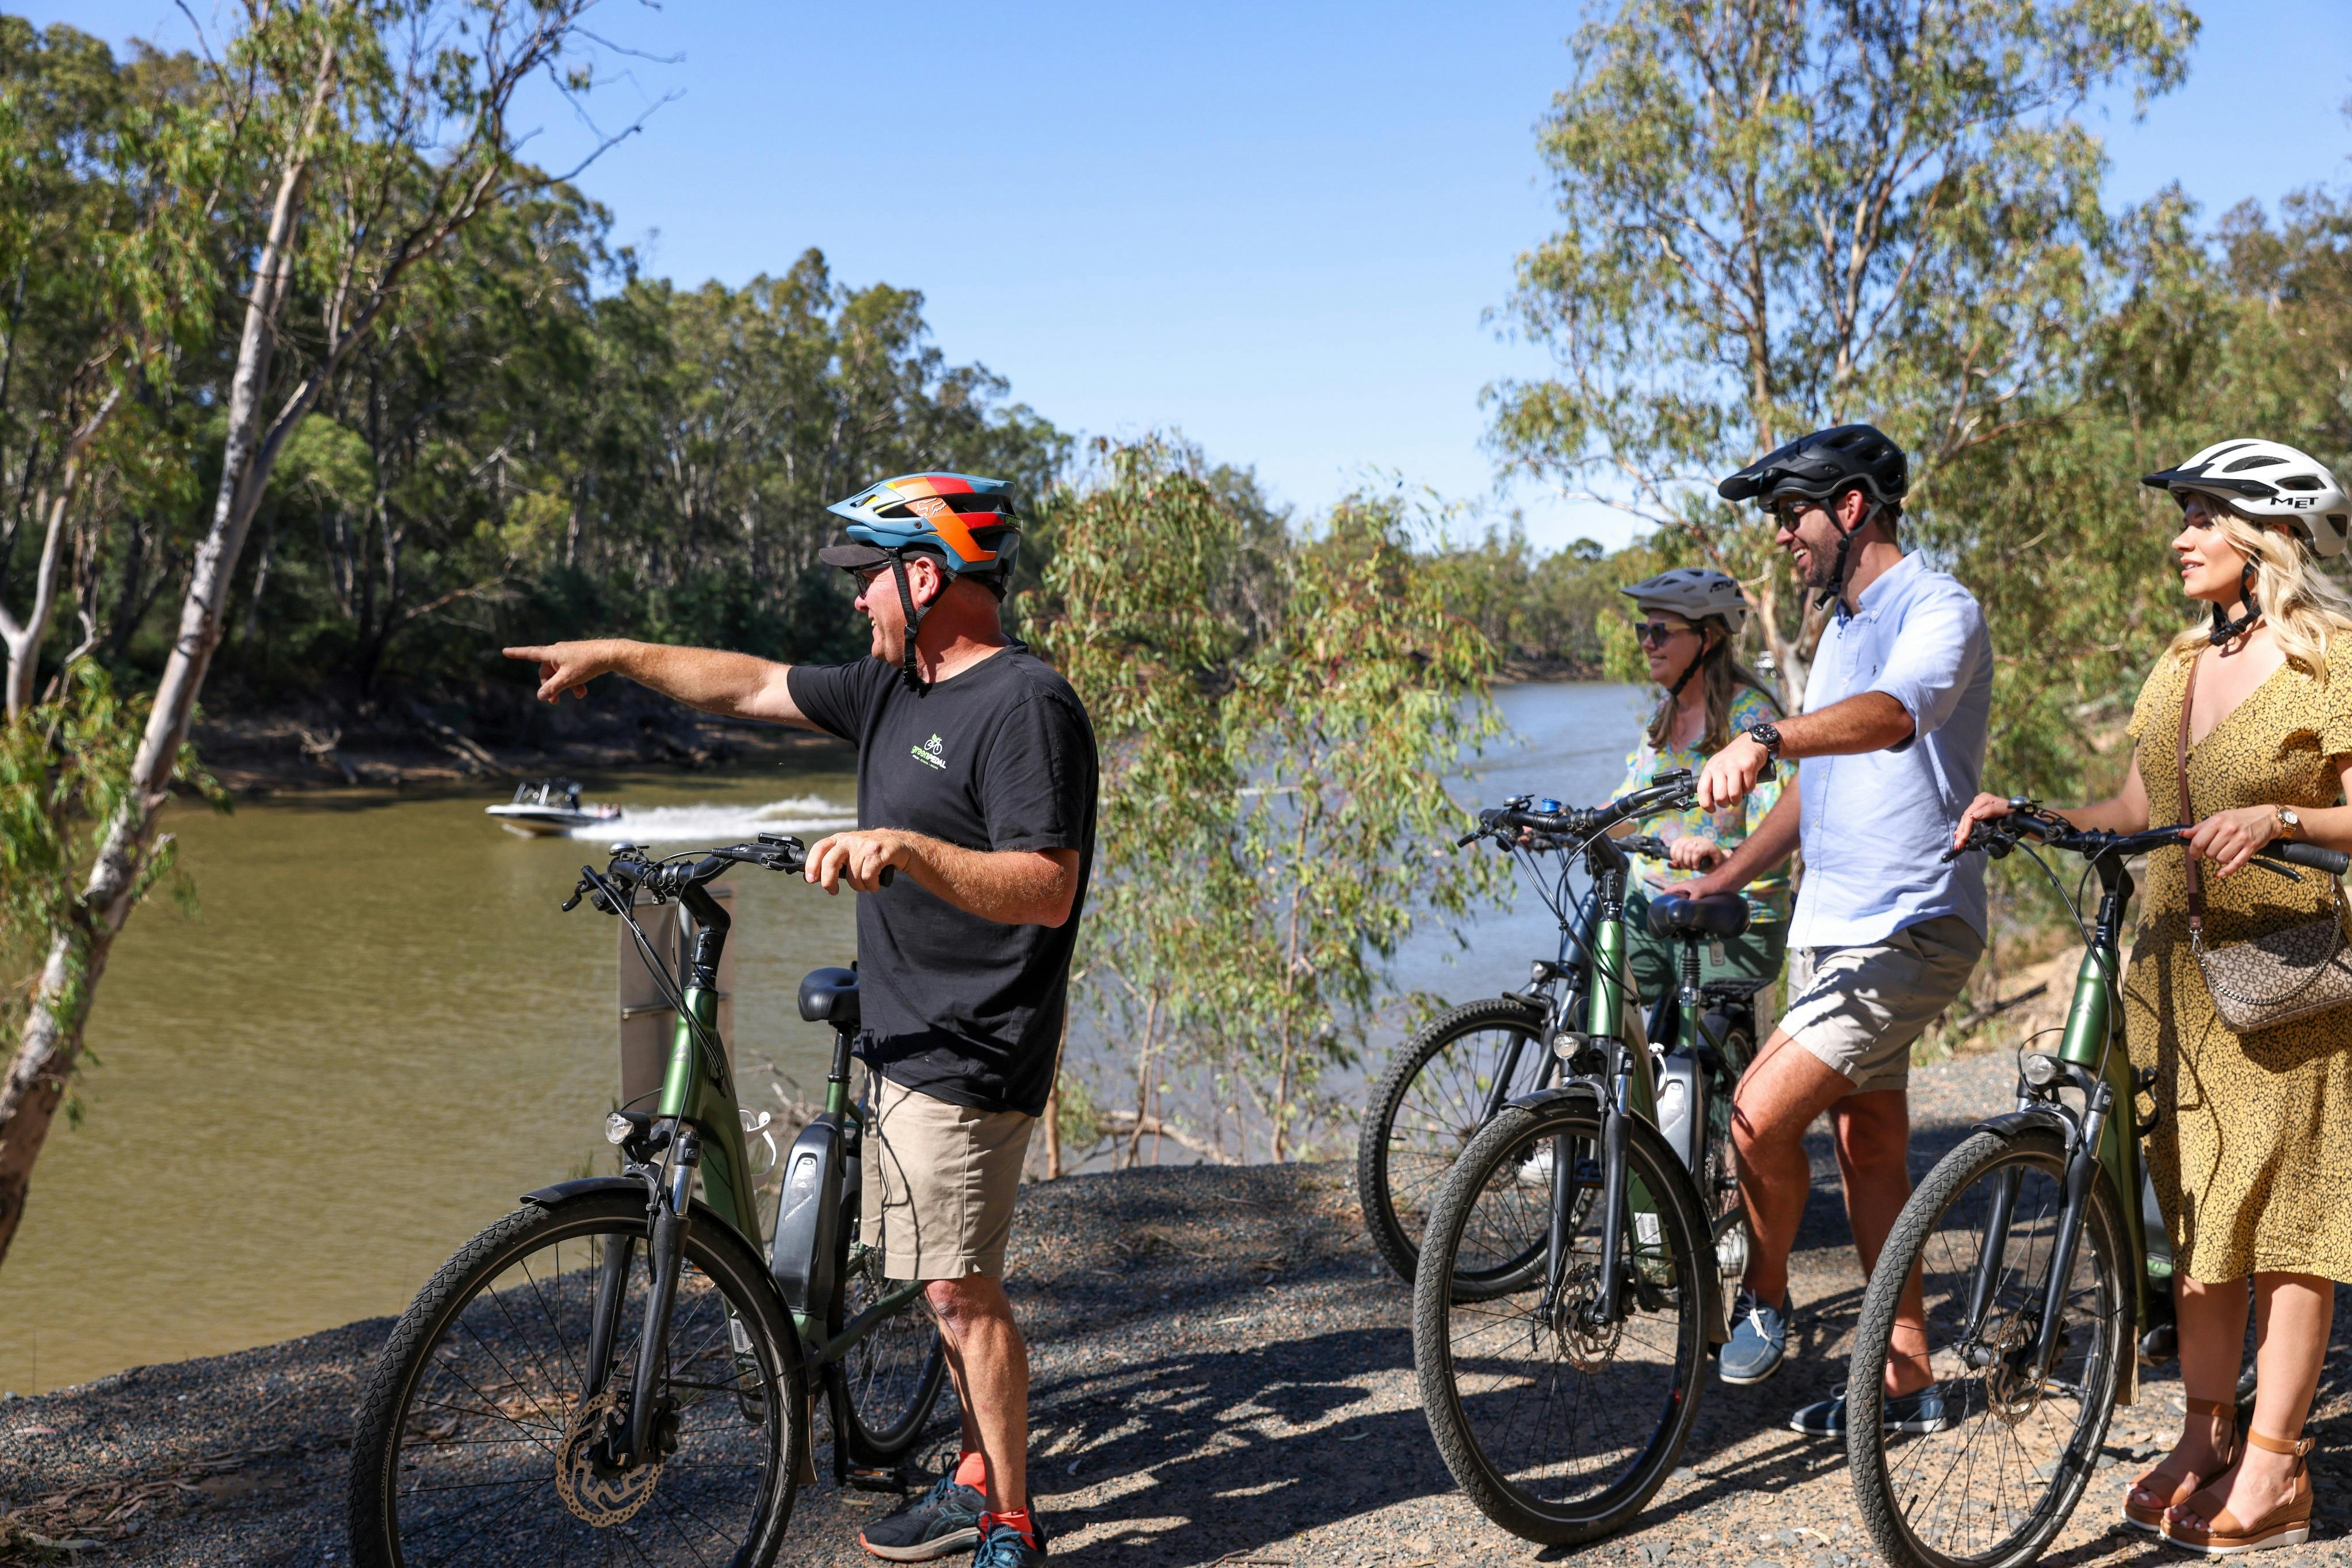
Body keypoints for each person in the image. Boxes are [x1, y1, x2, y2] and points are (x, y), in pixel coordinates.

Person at [506, 471, 1095, 1568]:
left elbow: (1044, 886)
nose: (855, 603)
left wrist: (909, 851)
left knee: (960, 1292)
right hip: (900, 1029)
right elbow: (748, 686)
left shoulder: (1024, 706)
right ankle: (971, 1471)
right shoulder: (893, 688)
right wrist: (619, 653)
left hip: (972, 1043)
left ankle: (1008, 1520)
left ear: (925, 577)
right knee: (932, 1275)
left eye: (866, 580)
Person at [1953, 439, 2352, 1555]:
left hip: (2287, 986)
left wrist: (2281, 820)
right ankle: (2204, 1433)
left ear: (2270, 532)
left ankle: (2276, 1469)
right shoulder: (2177, 659)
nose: (2179, 534)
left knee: (2286, 1228)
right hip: (2170, 982)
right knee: (2199, 1223)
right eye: (2181, 514)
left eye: (2202, 514)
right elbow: (2137, 800)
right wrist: (2030, 811)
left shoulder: (2330, 657)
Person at [1670, 423, 1991, 1436]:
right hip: (1833, 930)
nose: (1779, 539)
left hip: (1909, 928)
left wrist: (1763, 732)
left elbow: (1896, 717)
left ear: (1850, 508)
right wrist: (1722, 872)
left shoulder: (1935, 608)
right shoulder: (1839, 629)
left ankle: (1762, 1297)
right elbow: (1818, 785)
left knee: (1756, 1119)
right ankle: (1907, 1389)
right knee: (1867, 1151)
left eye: (1788, 516)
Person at [1610, 568, 1790, 1014]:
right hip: (1650, 899)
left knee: (1710, 1059)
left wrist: (1719, 853)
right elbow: (1634, 805)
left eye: (1660, 631)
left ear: (1707, 639)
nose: (1647, 643)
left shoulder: (1750, 716)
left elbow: (1781, 822)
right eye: (1642, 630)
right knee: (1628, 1047)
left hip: (1729, 915)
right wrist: (1568, 824)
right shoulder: (1664, 714)